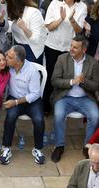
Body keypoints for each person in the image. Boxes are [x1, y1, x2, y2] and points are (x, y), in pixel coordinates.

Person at [51, 35, 99, 163]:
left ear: (83, 50)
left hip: (85, 98)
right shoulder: (62, 59)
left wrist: (84, 81)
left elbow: (96, 85)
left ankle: (87, 146)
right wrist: (72, 81)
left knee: (95, 116)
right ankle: (59, 146)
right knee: (58, 114)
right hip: (65, 97)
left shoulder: (92, 63)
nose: (71, 49)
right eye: (71, 46)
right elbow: (54, 81)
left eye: (75, 47)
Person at [0, 45, 46, 165]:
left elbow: (35, 94)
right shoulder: (8, 67)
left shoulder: (32, 71)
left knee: (39, 119)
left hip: (31, 101)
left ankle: (38, 149)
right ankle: (6, 148)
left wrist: (15, 102)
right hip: (14, 97)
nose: (6, 58)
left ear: (18, 61)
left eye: (9, 57)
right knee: (10, 116)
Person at [43, 0, 87, 114]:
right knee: (50, 75)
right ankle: (46, 107)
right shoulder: (55, 3)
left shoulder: (82, 6)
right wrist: (61, 18)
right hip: (52, 46)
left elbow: (79, 30)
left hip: (70, 48)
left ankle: (61, 106)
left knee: (66, 77)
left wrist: (71, 19)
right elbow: (49, 27)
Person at [6, 0, 47, 65]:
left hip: (31, 49)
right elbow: (13, 27)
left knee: (30, 73)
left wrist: (24, 28)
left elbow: (35, 39)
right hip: (18, 47)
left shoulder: (33, 13)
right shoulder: (16, 12)